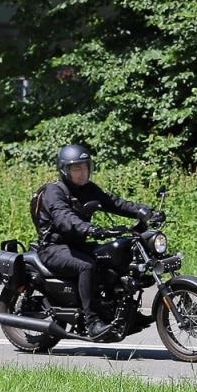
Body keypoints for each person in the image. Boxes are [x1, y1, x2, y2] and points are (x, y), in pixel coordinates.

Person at [35, 144, 157, 340]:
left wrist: (143, 211)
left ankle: (124, 313)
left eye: (85, 167)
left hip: (77, 245)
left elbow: (114, 203)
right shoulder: (54, 191)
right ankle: (92, 322)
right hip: (53, 248)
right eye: (77, 168)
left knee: (115, 260)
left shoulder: (89, 189)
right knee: (87, 266)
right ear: (64, 170)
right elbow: (64, 218)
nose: (83, 172)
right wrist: (89, 228)